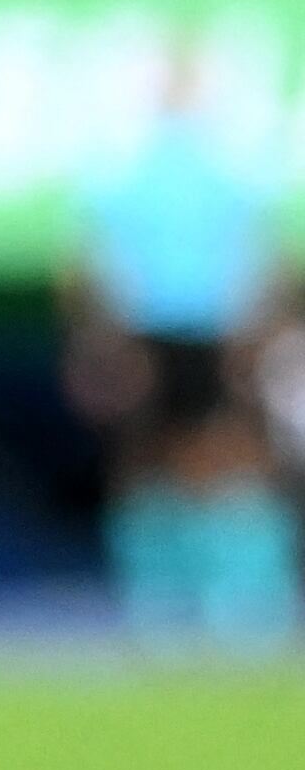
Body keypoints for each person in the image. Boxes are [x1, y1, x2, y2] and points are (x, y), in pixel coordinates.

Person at [68, 57, 294, 646]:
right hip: (175, 334)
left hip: (200, 334)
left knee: (202, 457)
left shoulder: (211, 176)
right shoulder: (139, 177)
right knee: (170, 459)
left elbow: (92, 265)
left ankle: (221, 594)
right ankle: (188, 595)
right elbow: (97, 264)